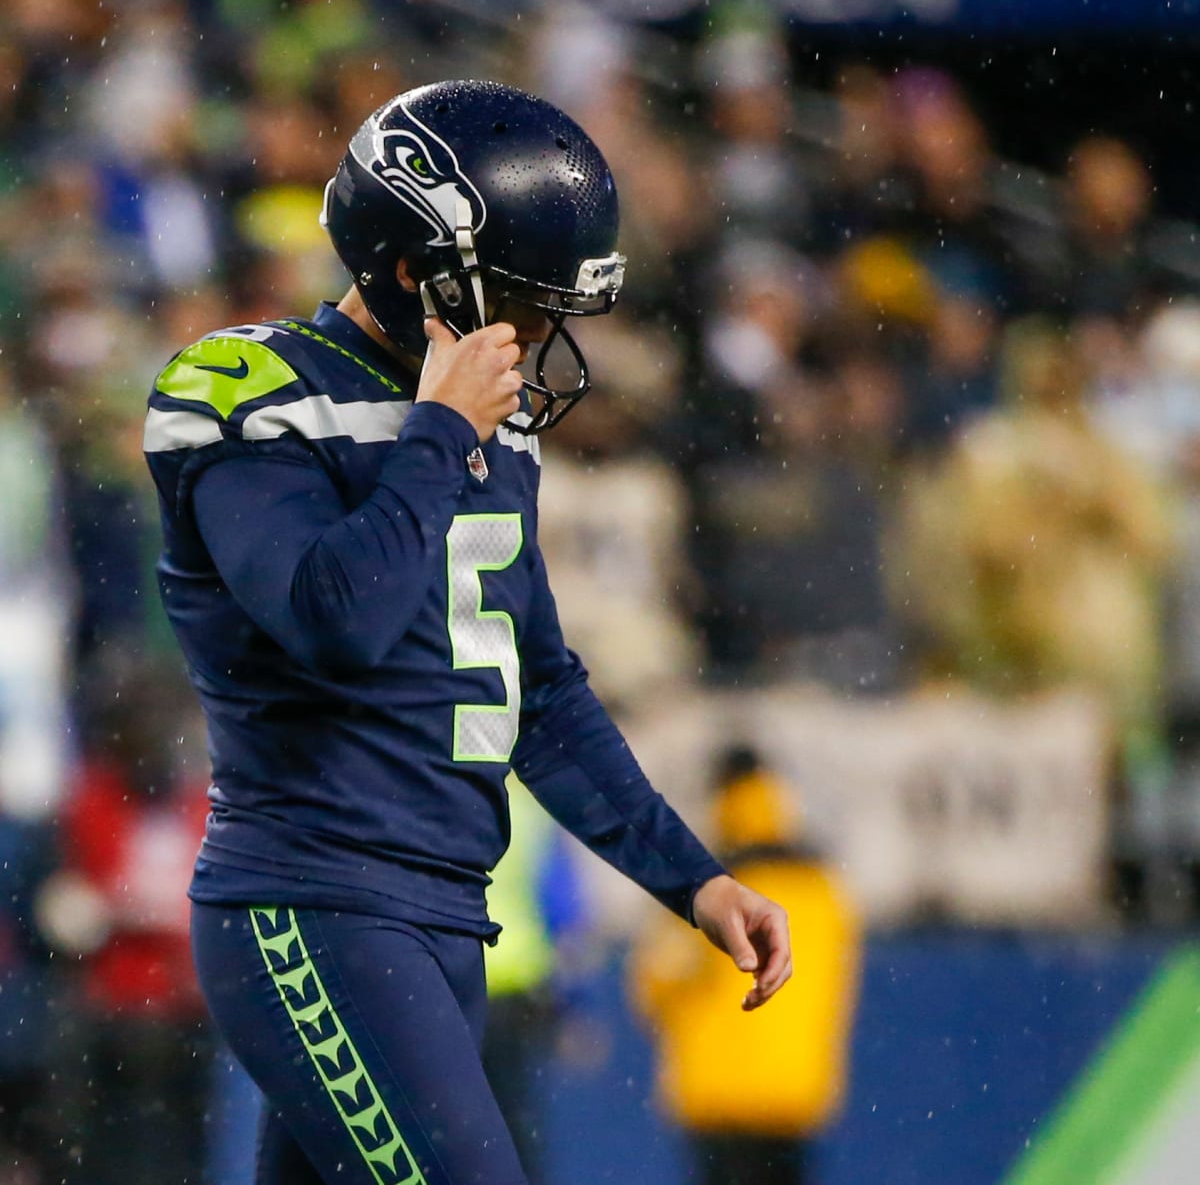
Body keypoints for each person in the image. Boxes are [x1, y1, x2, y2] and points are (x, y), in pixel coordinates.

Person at [142, 79, 791, 1185]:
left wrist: (693, 879)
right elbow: (332, 618)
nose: (536, 341)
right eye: (522, 306)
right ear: (409, 269)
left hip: (445, 916)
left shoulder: (493, 432)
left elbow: (539, 693)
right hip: (316, 902)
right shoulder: (250, 392)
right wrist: (439, 432)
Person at [629, 746, 861, 1185]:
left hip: (720, 1091)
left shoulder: (708, 888)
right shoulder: (824, 885)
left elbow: (657, 981)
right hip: (795, 1090)